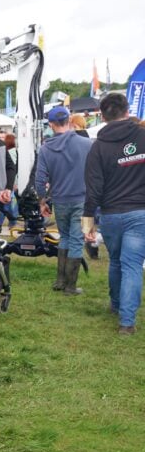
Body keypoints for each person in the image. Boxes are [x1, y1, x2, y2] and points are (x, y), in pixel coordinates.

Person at [82, 93, 145, 335]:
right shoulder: (142, 135)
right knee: (132, 265)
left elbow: (93, 189)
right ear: (127, 110)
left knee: (117, 261)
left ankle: (117, 305)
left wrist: (87, 224)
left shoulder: (98, 147)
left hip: (111, 215)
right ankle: (126, 322)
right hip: (139, 213)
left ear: (102, 115)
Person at [35, 105, 93, 295]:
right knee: (77, 239)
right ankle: (70, 286)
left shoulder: (45, 148)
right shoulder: (87, 144)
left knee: (65, 237)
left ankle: (60, 281)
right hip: (83, 200)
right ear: (69, 121)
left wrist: (42, 201)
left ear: (51, 124)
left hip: (60, 200)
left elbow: (40, 180)